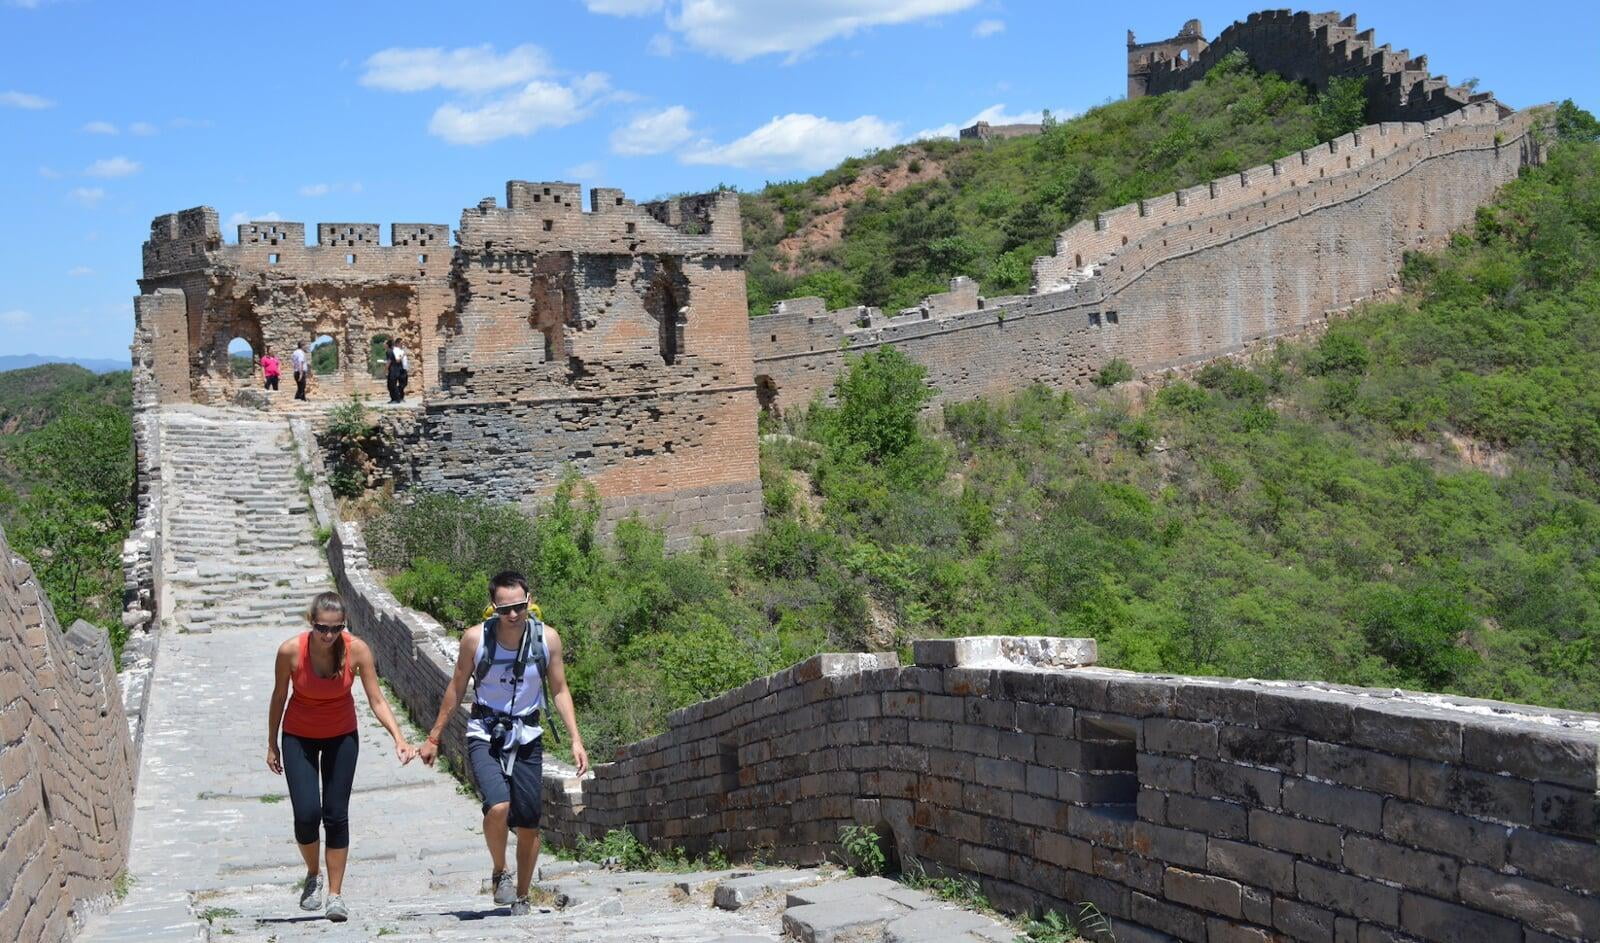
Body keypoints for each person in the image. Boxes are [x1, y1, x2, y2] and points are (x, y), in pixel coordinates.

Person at [418, 571, 588, 916]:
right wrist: (434, 736)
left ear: (530, 600)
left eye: (519, 607)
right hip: (485, 731)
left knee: (528, 824)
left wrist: (575, 738)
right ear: (492, 606)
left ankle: (522, 896)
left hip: (527, 735)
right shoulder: (474, 640)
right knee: (498, 806)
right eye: (505, 609)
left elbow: (559, 689)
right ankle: (500, 872)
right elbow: (456, 687)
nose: (513, 615)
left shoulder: (547, 640)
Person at [267, 591, 416, 923]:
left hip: (341, 737)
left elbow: (376, 699)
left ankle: (335, 895)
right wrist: (272, 743)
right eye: (322, 628)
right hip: (298, 737)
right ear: (312, 622)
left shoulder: (356, 650)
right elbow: (279, 696)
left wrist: (399, 738)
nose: (328, 635)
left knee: (335, 815)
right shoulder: (291, 651)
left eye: (335, 628)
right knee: (307, 814)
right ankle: (312, 874)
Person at [386, 339, 410, 403]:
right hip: (399, 369)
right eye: (402, 343)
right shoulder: (395, 350)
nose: (403, 344)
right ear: (397, 343)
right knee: (395, 384)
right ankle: (397, 397)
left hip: (404, 368)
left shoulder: (402, 350)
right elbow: (396, 360)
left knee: (403, 384)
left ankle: (400, 397)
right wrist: (402, 356)